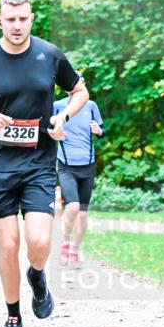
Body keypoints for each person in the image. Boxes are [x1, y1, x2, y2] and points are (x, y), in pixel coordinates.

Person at [0, 0, 89, 327]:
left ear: (31, 19)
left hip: (39, 162)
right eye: (10, 19)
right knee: (9, 244)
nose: (17, 25)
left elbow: (80, 91)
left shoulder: (49, 54)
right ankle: (13, 315)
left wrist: (63, 116)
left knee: (39, 242)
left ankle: (39, 275)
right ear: (0, 21)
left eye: (23, 19)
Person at [53, 94, 104, 268]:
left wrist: (99, 131)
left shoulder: (91, 106)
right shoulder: (58, 106)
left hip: (87, 166)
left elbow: (101, 130)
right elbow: (47, 128)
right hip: (66, 166)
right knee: (73, 206)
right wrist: (53, 134)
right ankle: (65, 243)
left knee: (82, 215)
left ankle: (75, 251)